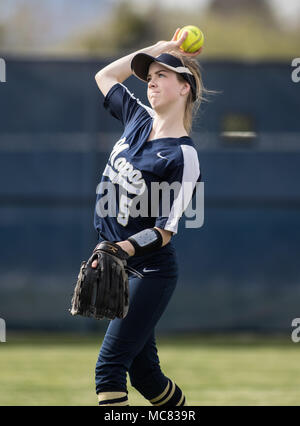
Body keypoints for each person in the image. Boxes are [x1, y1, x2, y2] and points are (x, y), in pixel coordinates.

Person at [92, 28, 204, 406]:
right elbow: (105, 76)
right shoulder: (136, 119)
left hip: (150, 271)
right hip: (120, 262)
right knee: (146, 376)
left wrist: (120, 248)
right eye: (150, 76)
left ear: (184, 87)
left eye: (162, 76)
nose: (152, 83)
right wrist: (158, 50)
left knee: (109, 368)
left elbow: (166, 229)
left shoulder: (183, 156)